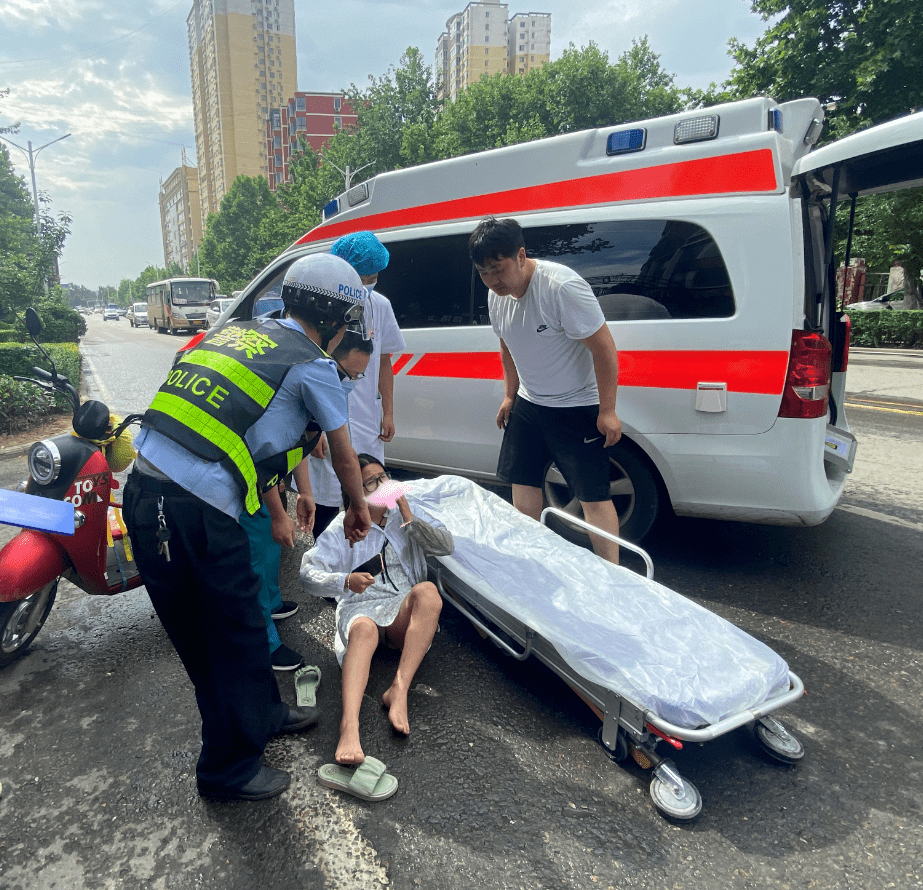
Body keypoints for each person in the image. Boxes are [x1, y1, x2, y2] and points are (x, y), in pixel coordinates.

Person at [122, 253, 372, 802]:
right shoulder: (311, 364)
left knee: (240, 616)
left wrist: (282, 503)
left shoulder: (235, 334)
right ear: (335, 319)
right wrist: (357, 506)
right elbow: (345, 453)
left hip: (146, 493)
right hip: (188, 512)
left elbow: (243, 434)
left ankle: (262, 713)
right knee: (223, 637)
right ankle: (226, 770)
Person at [468, 216, 623, 564]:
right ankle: (531, 562)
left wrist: (608, 410)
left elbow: (604, 348)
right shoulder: (497, 296)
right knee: (522, 486)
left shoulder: (560, 287)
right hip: (530, 402)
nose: (493, 280)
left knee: (592, 497)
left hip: (576, 404)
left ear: (521, 255)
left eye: (498, 268)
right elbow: (507, 346)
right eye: (483, 272)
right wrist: (510, 394)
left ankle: (615, 575)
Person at [300, 455, 452, 766]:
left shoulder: (402, 518)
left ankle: (399, 690)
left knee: (429, 593)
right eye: (372, 482)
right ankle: (349, 727)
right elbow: (306, 573)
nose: (382, 485)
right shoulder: (342, 526)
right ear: (355, 491)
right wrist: (344, 581)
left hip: (399, 609)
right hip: (361, 609)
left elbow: (445, 545)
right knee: (365, 630)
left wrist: (408, 516)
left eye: (384, 477)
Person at [243, 333, 375, 672]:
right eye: (350, 375)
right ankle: (265, 643)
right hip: (252, 485)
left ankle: (271, 602)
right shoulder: (303, 381)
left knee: (273, 548)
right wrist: (277, 513)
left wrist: (305, 492)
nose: (354, 384)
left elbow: (296, 445)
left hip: (282, 483)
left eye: (360, 377)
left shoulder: (391, 497)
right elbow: (266, 459)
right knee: (257, 558)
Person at [308, 231, 406, 537]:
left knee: (376, 486)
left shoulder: (381, 306)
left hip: (366, 416)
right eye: (362, 276)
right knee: (326, 498)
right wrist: (312, 428)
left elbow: (385, 363)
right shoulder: (319, 310)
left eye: (373, 276)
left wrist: (387, 411)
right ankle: (329, 563)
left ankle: (381, 553)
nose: (368, 283)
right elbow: (306, 373)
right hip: (326, 418)